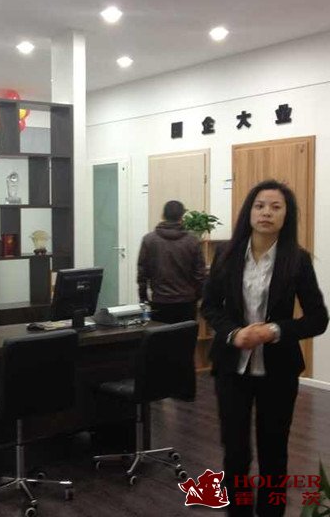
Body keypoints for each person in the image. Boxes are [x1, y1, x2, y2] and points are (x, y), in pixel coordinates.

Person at [201, 180, 328, 517]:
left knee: (274, 451)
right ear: (249, 212)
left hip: (278, 370)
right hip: (232, 368)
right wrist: (233, 334)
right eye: (259, 206)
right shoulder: (226, 255)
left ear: (287, 215)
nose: (266, 213)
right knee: (235, 452)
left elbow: (318, 319)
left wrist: (274, 331)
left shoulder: (297, 260)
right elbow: (210, 306)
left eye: (275, 207)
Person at [137, 200, 206, 323]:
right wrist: (199, 296)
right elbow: (199, 274)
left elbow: (142, 272)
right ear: (182, 217)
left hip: (159, 301)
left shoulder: (149, 240)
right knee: (186, 335)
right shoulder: (192, 241)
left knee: (161, 335)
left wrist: (143, 298)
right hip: (187, 302)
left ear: (163, 215)